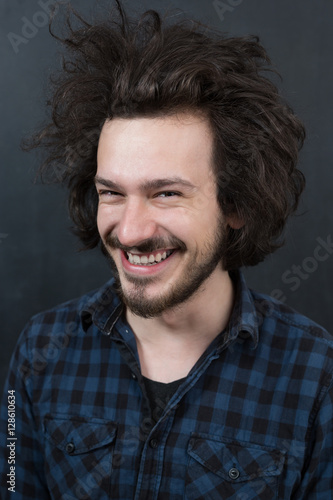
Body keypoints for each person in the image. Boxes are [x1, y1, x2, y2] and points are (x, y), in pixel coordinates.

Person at [1, 1, 332, 498]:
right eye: (112, 192)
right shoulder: (39, 351)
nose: (130, 232)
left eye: (166, 193)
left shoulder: (317, 375)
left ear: (236, 203)